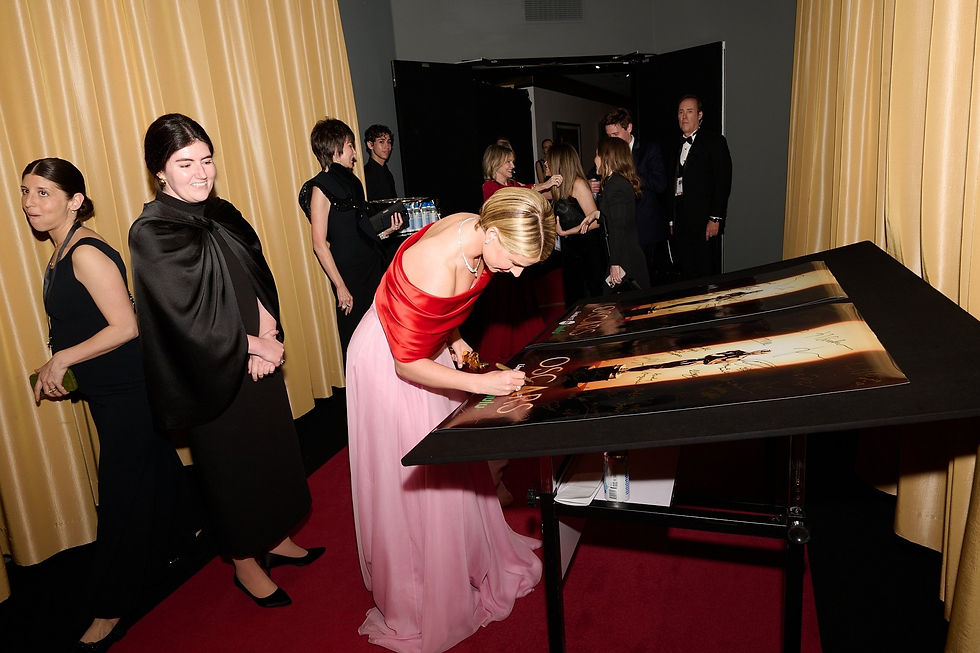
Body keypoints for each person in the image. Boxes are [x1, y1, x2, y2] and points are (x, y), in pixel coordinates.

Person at [346, 187, 550, 653]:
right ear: (494, 232)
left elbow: (436, 309)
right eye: (516, 260)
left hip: (427, 349)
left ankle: (458, 561)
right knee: (419, 474)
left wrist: (456, 341)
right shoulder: (441, 262)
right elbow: (406, 364)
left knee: (451, 468)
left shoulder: (476, 229)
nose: (517, 272)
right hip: (389, 362)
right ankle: (419, 587)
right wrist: (483, 385)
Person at [130, 113, 320, 610]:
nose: (201, 173)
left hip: (258, 355)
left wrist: (268, 330)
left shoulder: (222, 211)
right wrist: (252, 348)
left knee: (271, 453)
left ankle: (275, 535)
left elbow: (253, 272)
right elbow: (180, 319)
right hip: (211, 375)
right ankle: (242, 560)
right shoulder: (150, 231)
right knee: (231, 467)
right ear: (160, 172)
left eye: (207, 160)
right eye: (184, 163)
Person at [23, 158, 188, 651]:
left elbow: (126, 326)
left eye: (44, 193)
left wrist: (62, 360)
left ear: (75, 200)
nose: (32, 203)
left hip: (128, 390)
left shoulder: (85, 252)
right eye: (27, 192)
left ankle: (109, 605)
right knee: (157, 465)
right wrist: (66, 364)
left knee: (118, 494)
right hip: (108, 387)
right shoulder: (59, 252)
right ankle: (187, 534)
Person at [300, 118, 402, 358]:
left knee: (381, 333)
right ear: (335, 149)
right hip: (349, 274)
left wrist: (386, 232)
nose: (354, 153)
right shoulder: (319, 187)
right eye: (350, 146)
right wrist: (340, 286)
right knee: (358, 340)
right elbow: (319, 244)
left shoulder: (354, 182)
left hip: (371, 266)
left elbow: (360, 228)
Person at [598, 108, 670, 283]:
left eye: (615, 134)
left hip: (646, 228)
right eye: (609, 136)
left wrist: (629, 172)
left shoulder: (648, 149)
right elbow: (598, 173)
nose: (612, 140)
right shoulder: (607, 154)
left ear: (629, 128)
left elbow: (661, 185)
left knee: (648, 282)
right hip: (622, 231)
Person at [671, 94, 733, 280]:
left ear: (699, 115)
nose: (684, 116)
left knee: (706, 275)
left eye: (689, 112)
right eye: (681, 112)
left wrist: (715, 218)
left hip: (705, 223)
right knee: (685, 274)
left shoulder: (715, 142)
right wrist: (672, 220)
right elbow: (672, 186)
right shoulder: (674, 144)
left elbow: (723, 182)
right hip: (681, 224)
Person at [546, 142, 607, 304]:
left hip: (587, 250)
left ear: (559, 162)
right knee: (573, 301)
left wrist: (565, 232)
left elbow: (595, 222)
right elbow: (529, 191)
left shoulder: (578, 184)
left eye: (548, 160)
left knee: (590, 302)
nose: (545, 163)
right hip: (570, 251)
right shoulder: (555, 187)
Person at [595, 136, 651, 291]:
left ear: (607, 158)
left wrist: (615, 263)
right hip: (626, 254)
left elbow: (618, 227)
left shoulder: (615, 185)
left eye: (597, 155)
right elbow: (617, 216)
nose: (594, 159)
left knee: (609, 303)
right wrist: (597, 215)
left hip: (624, 257)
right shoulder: (616, 182)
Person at [481, 143, 562, 201]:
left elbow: (537, 194)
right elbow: (513, 194)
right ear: (494, 163)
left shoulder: (512, 184)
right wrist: (544, 185)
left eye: (513, 162)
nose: (513, 166)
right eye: (508, 162)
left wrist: (562, 191)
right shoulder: (489, 186)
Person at [363, 124, 397, 201]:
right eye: (381, 142)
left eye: (389, 142)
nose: (387, 146)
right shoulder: (366, 175)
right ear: (370, 145)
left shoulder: (387, 172)